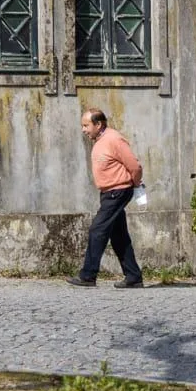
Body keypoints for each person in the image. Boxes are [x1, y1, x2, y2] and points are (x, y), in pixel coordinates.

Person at [67, 108, 144, 288]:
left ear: (98, 124)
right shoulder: (101, 140)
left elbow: (134, 165)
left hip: (117, 191)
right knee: (119, 236)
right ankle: (133, 276)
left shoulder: (114, 139)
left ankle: (88, 275)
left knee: (97, 230)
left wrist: (136, 183)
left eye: (86, 125)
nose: (83, 130)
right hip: (109, 193)